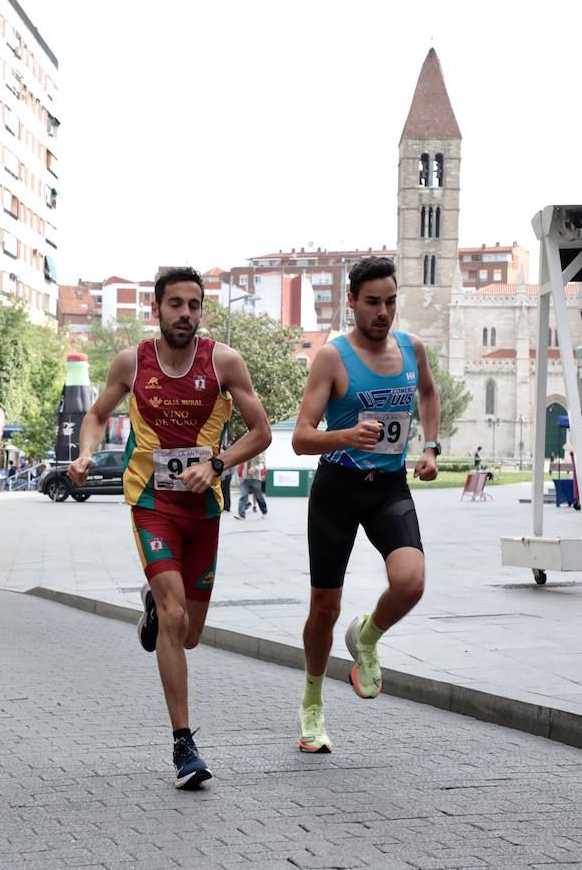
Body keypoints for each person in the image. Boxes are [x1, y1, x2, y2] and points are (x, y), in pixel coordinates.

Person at [70, 266, 271, 790]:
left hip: (203, 509)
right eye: (175, 304)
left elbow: (261, 432)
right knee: (176, 614)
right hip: (151, 500)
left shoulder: (224, 362)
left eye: (194, 305)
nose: (185, 314)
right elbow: (96, 415)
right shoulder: (131, 363)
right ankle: (184, 745)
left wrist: (218, 464)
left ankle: (156, 611)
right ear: (156, 308)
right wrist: (87, 453)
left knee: (190, 633)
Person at [290, 256, 440, 755]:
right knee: (324, 607)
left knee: (410, 582)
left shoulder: (412, 347)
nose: (383, 312)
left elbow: (428, 394)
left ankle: (368, 636)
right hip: (337, 487)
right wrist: (347, 435)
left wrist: (431, 448)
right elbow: (301, 437)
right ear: (351, 301)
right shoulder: (332, 358)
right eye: (373, 302)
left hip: (388, 486)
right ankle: (312, 703)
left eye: (391, 302)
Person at [235, 453, 268, 520]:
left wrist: (254, 468)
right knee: (243, 496)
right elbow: (241, 463)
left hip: (255, 479)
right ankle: (241, 515)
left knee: (259, 497)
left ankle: (264, 511)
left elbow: (262, 465)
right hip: (245, 478)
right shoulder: (245, 452)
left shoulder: (259, 453)